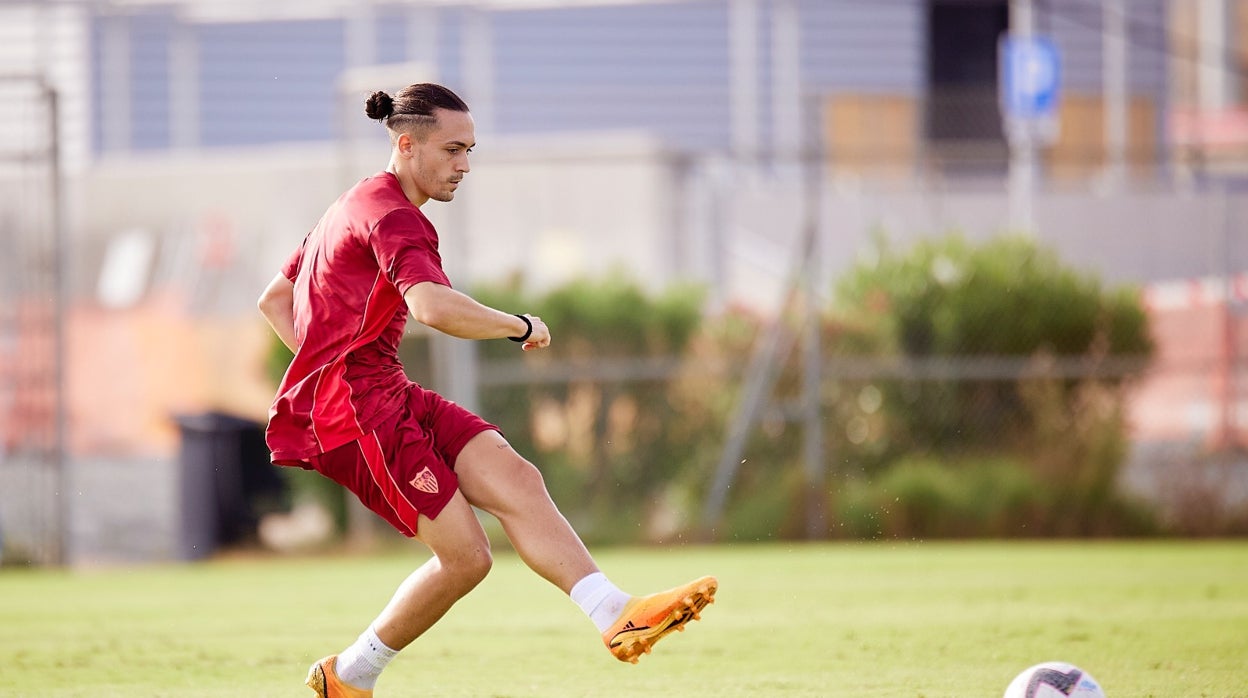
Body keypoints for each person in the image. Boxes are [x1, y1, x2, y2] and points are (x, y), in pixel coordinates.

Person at [257, 82, 716, 698]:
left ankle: (614, 614)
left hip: (382, 390)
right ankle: (350, 675)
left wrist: (322, 366)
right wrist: (517, 325)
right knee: (468, 558)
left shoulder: (352, 203)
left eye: (470, 150)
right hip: (357, 413)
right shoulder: (396, 218)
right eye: (452, 150)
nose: (464, 165)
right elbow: (433, 307)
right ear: (406, 144)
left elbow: (275, 299)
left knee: (518, 479)